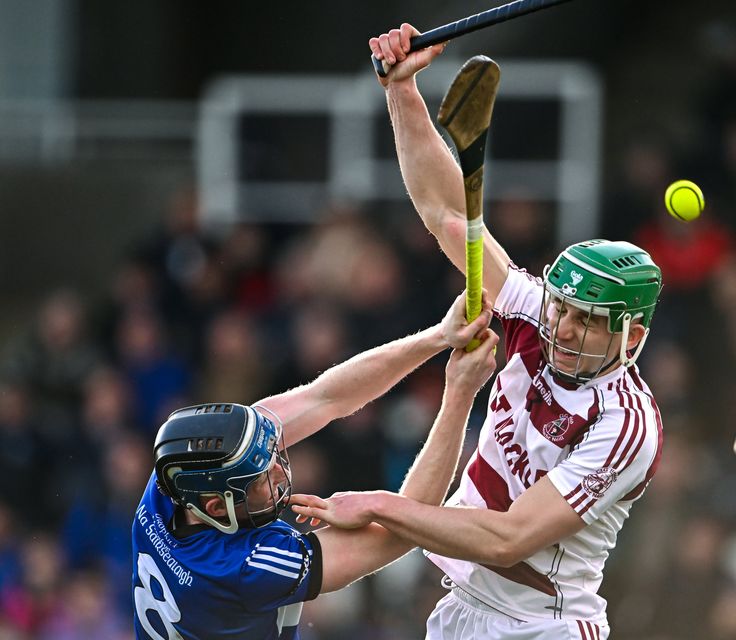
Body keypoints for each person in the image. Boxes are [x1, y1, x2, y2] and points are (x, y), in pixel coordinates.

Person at [289, 24, 664, 640]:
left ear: (633, 338)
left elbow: (509, 537)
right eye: (564, 308)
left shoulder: (625, 425)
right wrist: (401, 91)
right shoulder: (530, 312)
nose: (565, 329)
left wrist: (383, 505)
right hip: (460, 610)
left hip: (543, 627)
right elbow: (444, 214)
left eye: (591, 323)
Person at [132, 290, 498, 640]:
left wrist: (438, 336)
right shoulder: (246, 569)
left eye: (272, 456)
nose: (279, 471)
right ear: (216, 506)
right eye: (260, 478)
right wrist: (460, 393)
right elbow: (406, 529)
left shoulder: (171, 486)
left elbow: (327, 397)